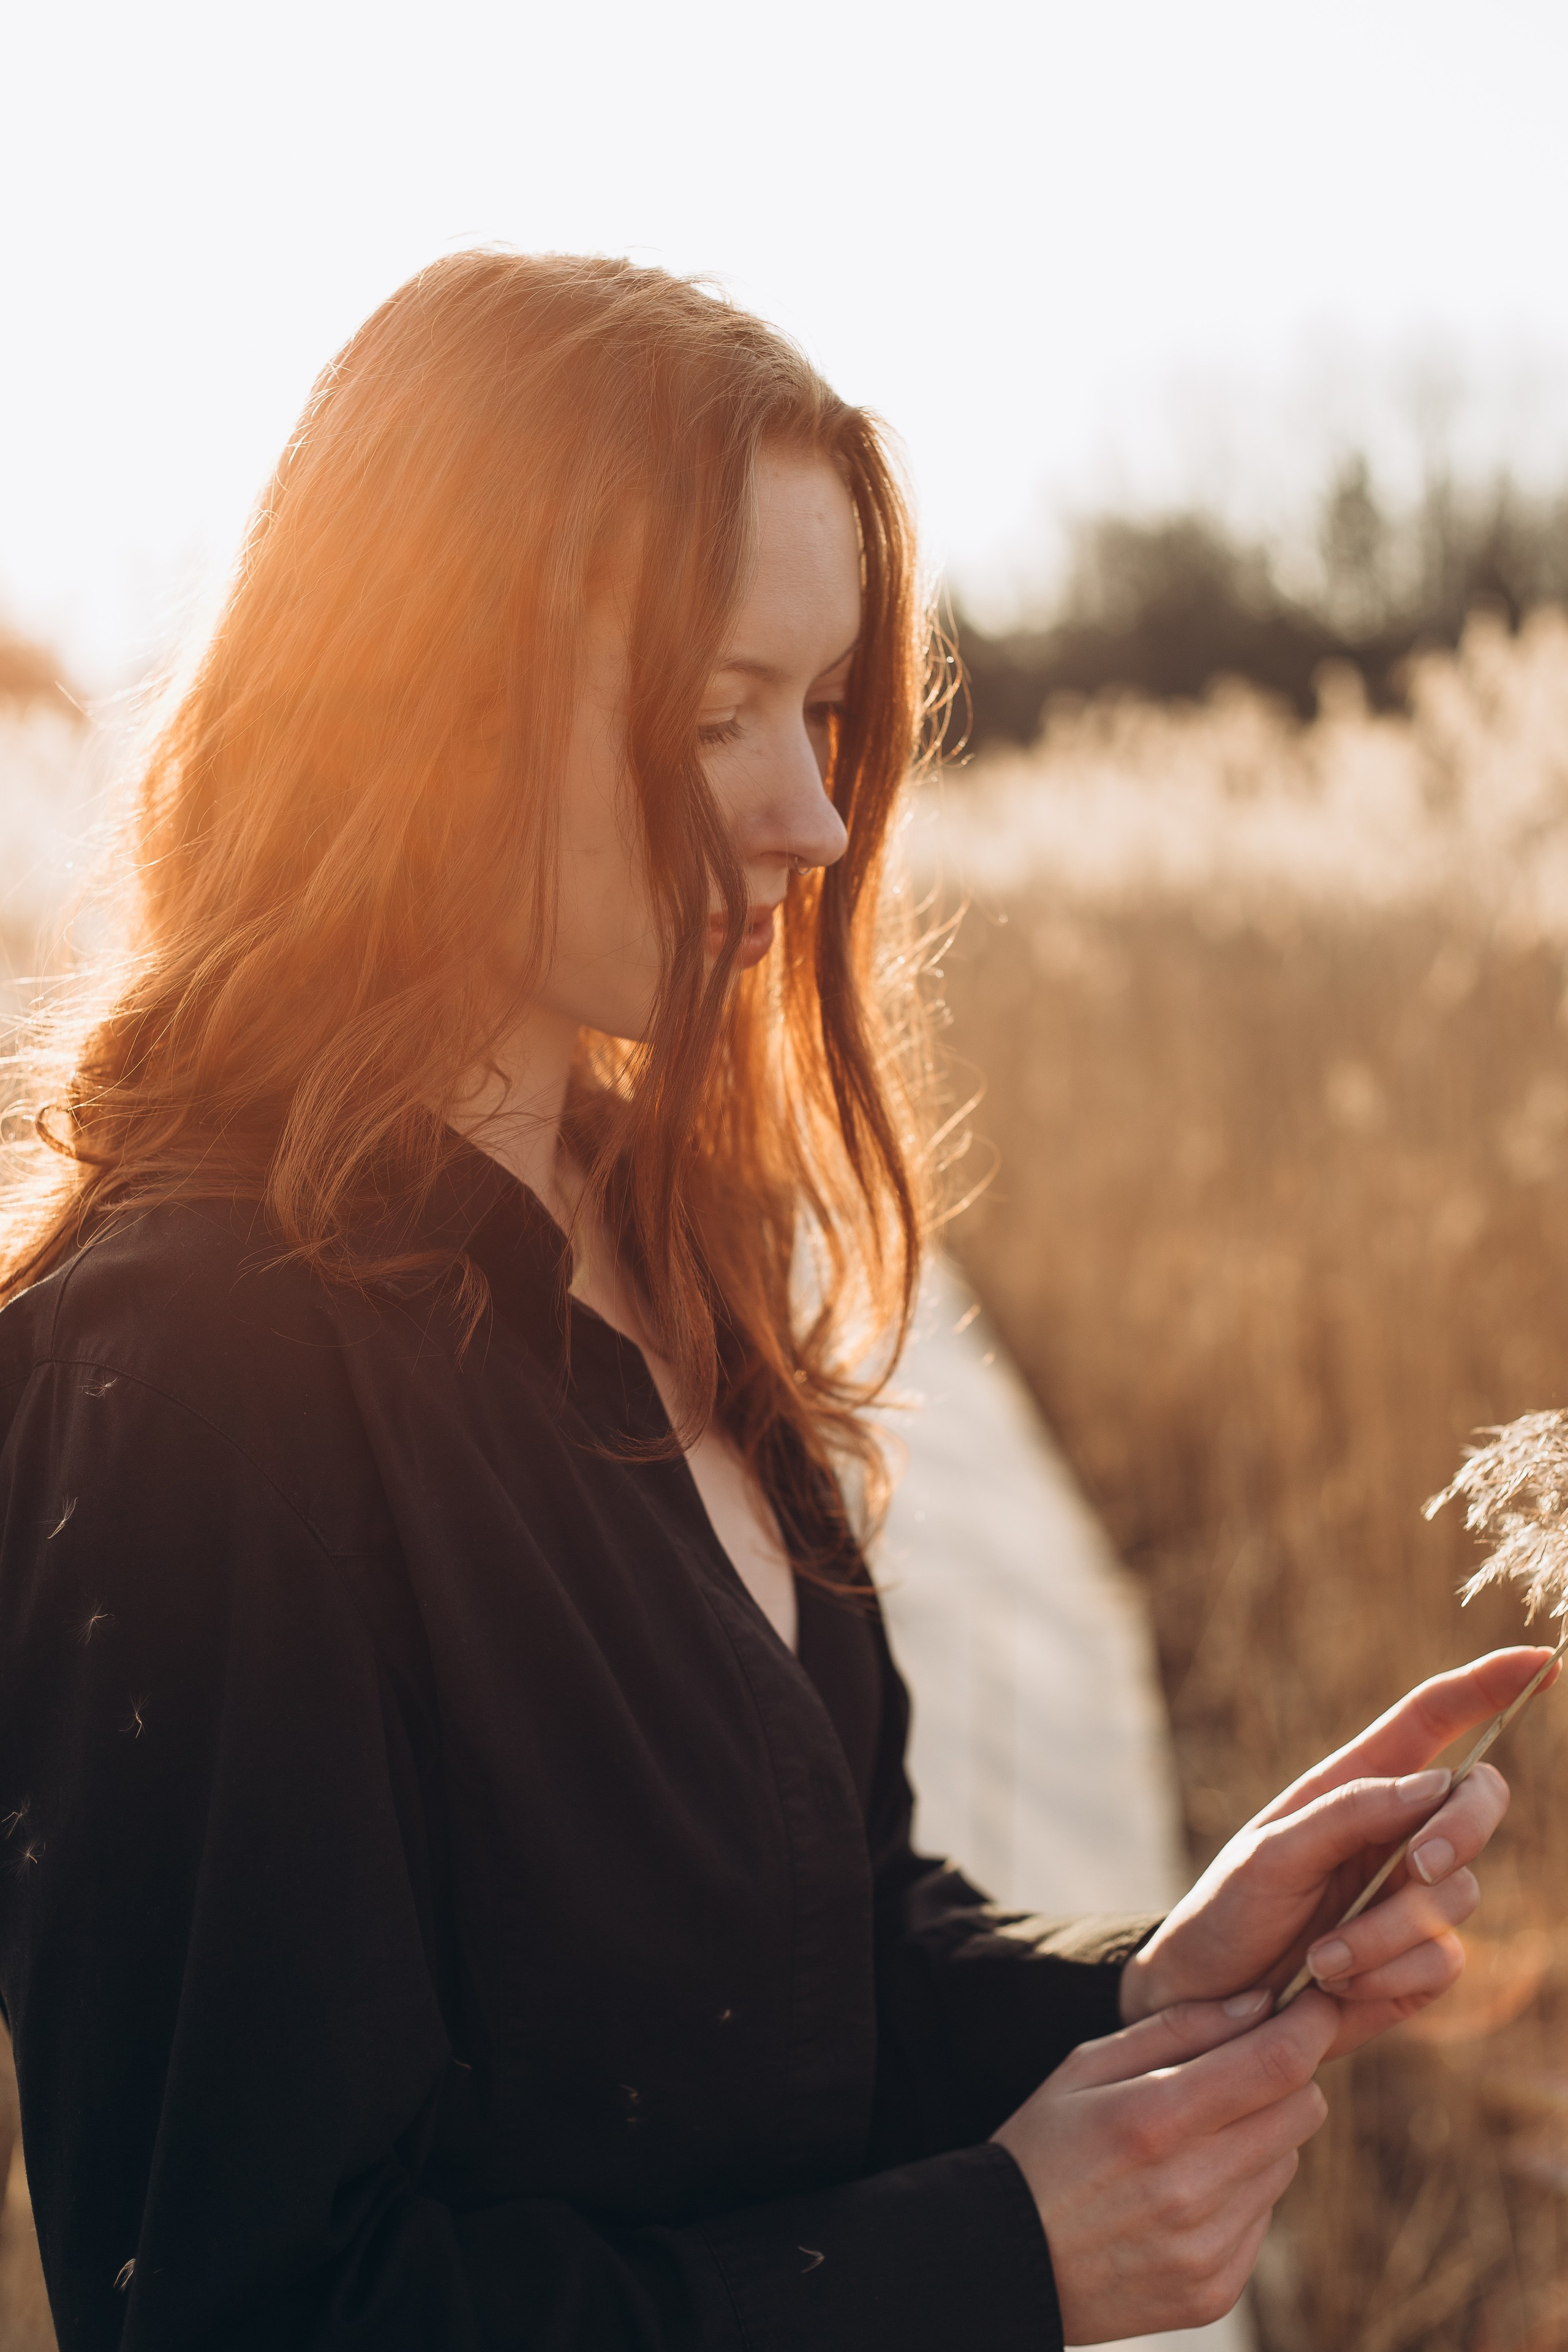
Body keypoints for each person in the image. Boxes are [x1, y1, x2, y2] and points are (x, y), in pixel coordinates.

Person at [0, 252, 1539, 2352]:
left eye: (820, 713)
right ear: (424, 700)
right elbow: (257, 2306)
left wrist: (1146, 1983)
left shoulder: (668, 1229)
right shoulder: (200, 1367)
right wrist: (999, 2260)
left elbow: (799, 1973)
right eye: (714, 713)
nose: (816, 817)